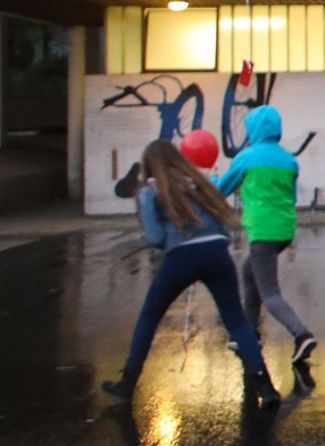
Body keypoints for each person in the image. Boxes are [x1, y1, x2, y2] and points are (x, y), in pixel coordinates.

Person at [102, 139, 282, 408]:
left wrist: (171, 240)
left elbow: (155, 237)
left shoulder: (151, 191)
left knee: (150, 316)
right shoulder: (198, 182)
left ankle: (127, 383)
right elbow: (222, 225)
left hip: (181, 256)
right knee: (236, 321)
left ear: (150, 165)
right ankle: (265, 386)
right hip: (218, 253)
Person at [215, 105, 314, 364]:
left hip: (263, 232)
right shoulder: (289, 160)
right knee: (249, 271)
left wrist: (210, 180)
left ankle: (302, 335)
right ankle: (249, 333)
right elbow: (291, 197)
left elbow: (220, 190)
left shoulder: (246, 158)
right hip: (284, 231)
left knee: (269, 293)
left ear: (252, 129)